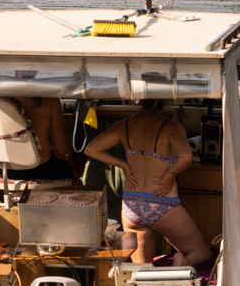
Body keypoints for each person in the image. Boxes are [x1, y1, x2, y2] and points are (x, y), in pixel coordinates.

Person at [82, 107, 214, 273]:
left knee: (142, 270)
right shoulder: (171, 126)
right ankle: (184, 260)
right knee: (203, 253)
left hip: (133, 205)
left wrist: (123, 165)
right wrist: (170, 175)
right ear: (164, 102)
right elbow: (186, 157)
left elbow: (90, 149)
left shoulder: (125, 125)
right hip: (162, 202)